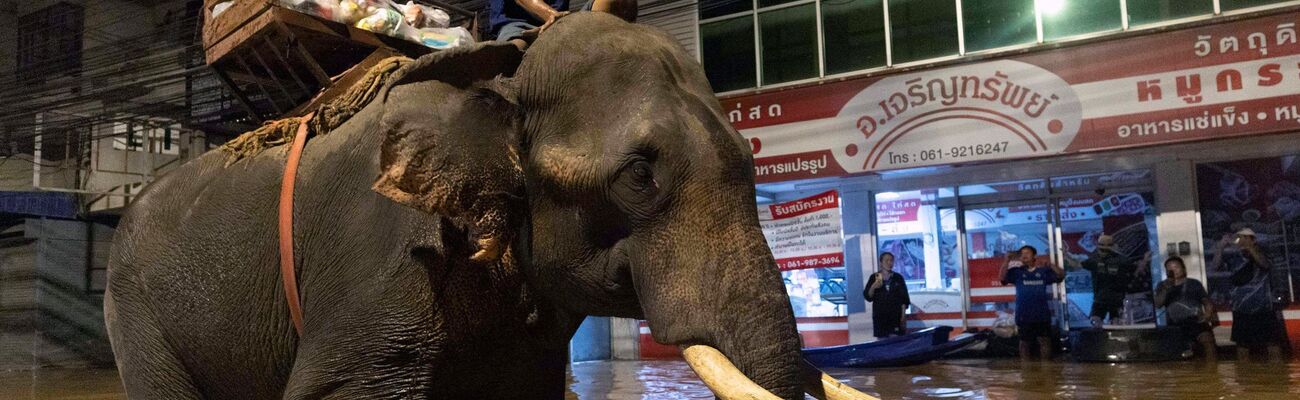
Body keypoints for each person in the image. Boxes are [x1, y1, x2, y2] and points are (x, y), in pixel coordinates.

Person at [1210, 228, 1287, 361]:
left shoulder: (1262, 251)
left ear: (1253, 239)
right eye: (1240, 237)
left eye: (1246, 237)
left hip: (1263, 305)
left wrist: (1250, 248)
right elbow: (1215, 266)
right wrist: (1221, 247)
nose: (1241, 240)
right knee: (1242, 344)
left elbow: (1265, 264)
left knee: (1272, 342)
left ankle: (1277, 373)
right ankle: (1244, 376)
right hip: (1240, 306)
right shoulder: (1232, 256)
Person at [1064, 234, 1150, 327]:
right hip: (1100, 298)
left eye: (1105, 247)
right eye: (1101, 247)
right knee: (1095, 322)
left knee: (1115, 323)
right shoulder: (1095, 259)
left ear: (1111, 246)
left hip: (1116, 299)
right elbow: (1077, 265)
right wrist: (1066, 255)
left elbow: (1136, 269)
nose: (1103, 250)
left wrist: (1145, 261)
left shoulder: (1121, 260)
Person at [489, 0, 638, 50]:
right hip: (518, 25)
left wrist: (565, 22)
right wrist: (552, 16)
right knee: (514, 51)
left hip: (566, 21)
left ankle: (612, 54)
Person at [1000, 245, 1063, 361]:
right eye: (1022, 253)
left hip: (1041, 313)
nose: (1024, 255)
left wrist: (1051, 265)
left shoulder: (1043, 271)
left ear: (1034, 256)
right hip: (1024, 314)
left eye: (1027, 253)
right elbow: (1002, 278)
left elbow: (1060, 276)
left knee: (1044, 340)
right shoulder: (1016, 272)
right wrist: (1006, 260)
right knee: (1024, 342)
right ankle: (1026, 370)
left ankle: (1047, 369)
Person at [1154, 256, 1218, 361]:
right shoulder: (1162, 285)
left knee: (1208, 341)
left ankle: (1212, 371)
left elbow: (1206, 301)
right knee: (1177, 354)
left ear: (1183, 268)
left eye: (1176, 267)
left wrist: (1207, 314)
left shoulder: (1194, 283)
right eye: (1170, 269)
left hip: (1195, 320)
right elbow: (1158, 304)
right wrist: (1166, 289)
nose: (1174, 270)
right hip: (1175, 324)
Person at [864, 252, 910, 338]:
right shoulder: (874, 277)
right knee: (882, 343)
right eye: (887, 260)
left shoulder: (898, 278)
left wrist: (903, 316)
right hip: (880, 317)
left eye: (891, 260)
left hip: (895, 316)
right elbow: (868, 297)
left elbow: (904, 298)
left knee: (896, 342)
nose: (889, 263)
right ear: (880, 262)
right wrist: (873, 287)